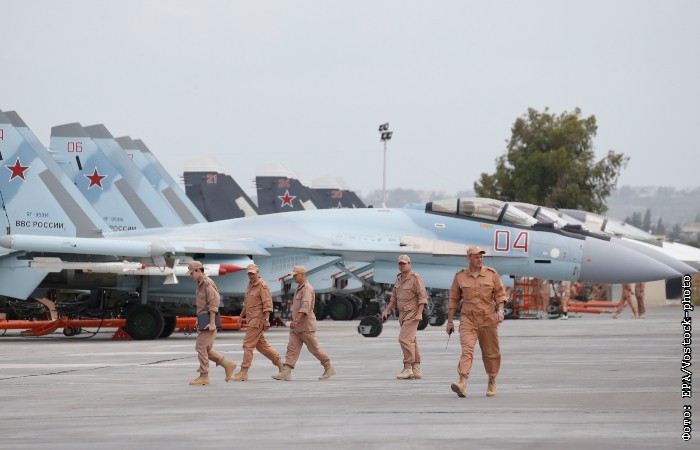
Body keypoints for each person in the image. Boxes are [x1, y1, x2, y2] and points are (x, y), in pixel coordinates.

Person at [446, 246, 506, 398]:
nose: (479, 259)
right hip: (468, 319)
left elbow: (500, 295)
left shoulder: (491, 274)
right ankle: (462, 382)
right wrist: (450, 321)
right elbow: (453, 299)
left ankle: (492, 380)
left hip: (488, 319)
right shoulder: (460, 276)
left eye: (481, 257)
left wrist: (500, 311)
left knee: (491, 353)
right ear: (469, 259)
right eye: (476, 257)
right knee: (467, 350)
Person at [272, 266, 336, 381]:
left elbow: (305, 307)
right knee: (292, 348)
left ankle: (328, 367)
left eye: (295, 275)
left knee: (314, 349)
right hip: (297, 327)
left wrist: (296, 320)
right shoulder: (299, 288)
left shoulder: (307, 289)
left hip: (305, 326)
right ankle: (286, 372)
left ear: (302, 274)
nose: (294, 277)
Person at [232, 264, 285, 381]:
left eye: (253, 273)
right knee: (261, 346)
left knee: (247, 345)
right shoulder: (250, 285)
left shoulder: (262, 285)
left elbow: (268, 304)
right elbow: (246, 303)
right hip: (251, 319)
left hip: (258, 320)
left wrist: (266, 320)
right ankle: (281, 365)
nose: (251, 276)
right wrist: (240, 317)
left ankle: (244, 371)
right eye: (249, 274)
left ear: (257, 273)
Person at [188, 260, 237, 385]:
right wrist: (198, 319)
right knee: (206, 350)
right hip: (204, 319)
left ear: (198, 270)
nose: (190, 275)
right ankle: (228, 365)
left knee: (201, 347)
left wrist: (212, 323)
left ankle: (204, 376)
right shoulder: (200, 284)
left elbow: (213, 304)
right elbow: (202, 305)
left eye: (192, 273)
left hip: (209, 321)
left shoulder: (207, 283)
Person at [381, 255, 428, 380]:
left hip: (413, 313)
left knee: (404, 339)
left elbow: (422, 298)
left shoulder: (416, 278)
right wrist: (386, 310)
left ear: (409, 264)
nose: (402, 265)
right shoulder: (398, 278)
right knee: (411, 340)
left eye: (404, 263)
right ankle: (416, 368)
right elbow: (394, 298)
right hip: (402, 314)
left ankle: (407, 368)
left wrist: (419, 313)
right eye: (400, 263)